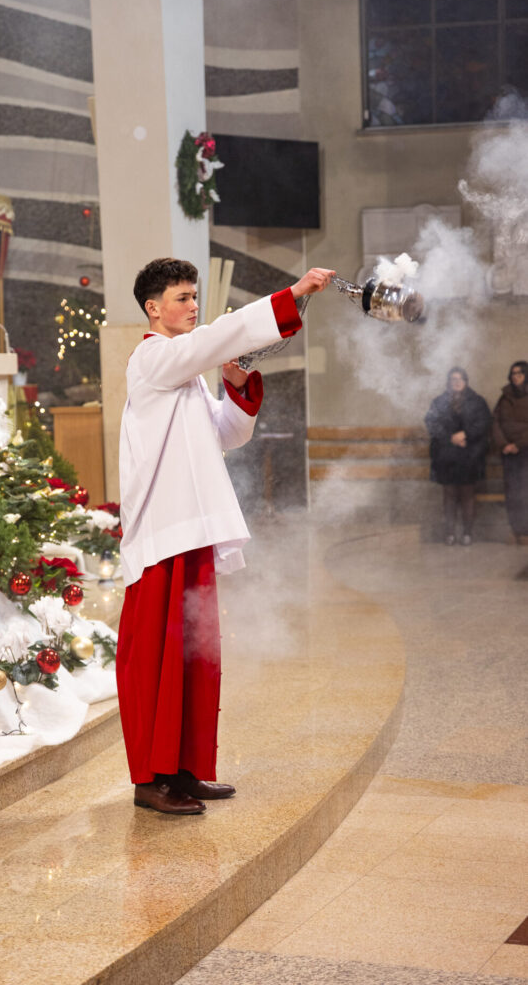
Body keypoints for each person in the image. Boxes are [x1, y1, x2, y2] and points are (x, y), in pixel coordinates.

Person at [116, 257, 334, 815]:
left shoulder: (186, 371)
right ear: (153, 308)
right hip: (162, 536)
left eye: (195, 297)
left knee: (195, 657)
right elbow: (217, 338)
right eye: (183, 298)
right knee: (157, 663)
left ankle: (185, 771)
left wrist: (236, 385)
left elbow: (229, 434)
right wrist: (292, 295)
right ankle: (150, 781)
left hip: (192, 531)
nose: (194, 306)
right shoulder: (152, 358)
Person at [425, 367, 491, 546]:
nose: (457, 382)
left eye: (460, 379)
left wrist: (465, 434)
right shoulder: (439, 401)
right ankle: (450, 533)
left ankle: (467, 533)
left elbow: (484, 423)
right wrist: (450, 438)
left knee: (467, 494)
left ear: (466, 382)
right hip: (446, 455)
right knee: (449, 495)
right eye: (453, 379)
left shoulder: (477, 401)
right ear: (448, 382)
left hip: (470, 455)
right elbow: (431, 423)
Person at [492, 360, 528, 544]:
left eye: (520, 373)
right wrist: (504, 444)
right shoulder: (504, 397)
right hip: (508, 452)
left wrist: (518, 444)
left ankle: (526, 532)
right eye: (513, 373)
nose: (516, 377)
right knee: (512, 492)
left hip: (525, 451)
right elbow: (495, 422)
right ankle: (516, 530)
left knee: (525, 491)